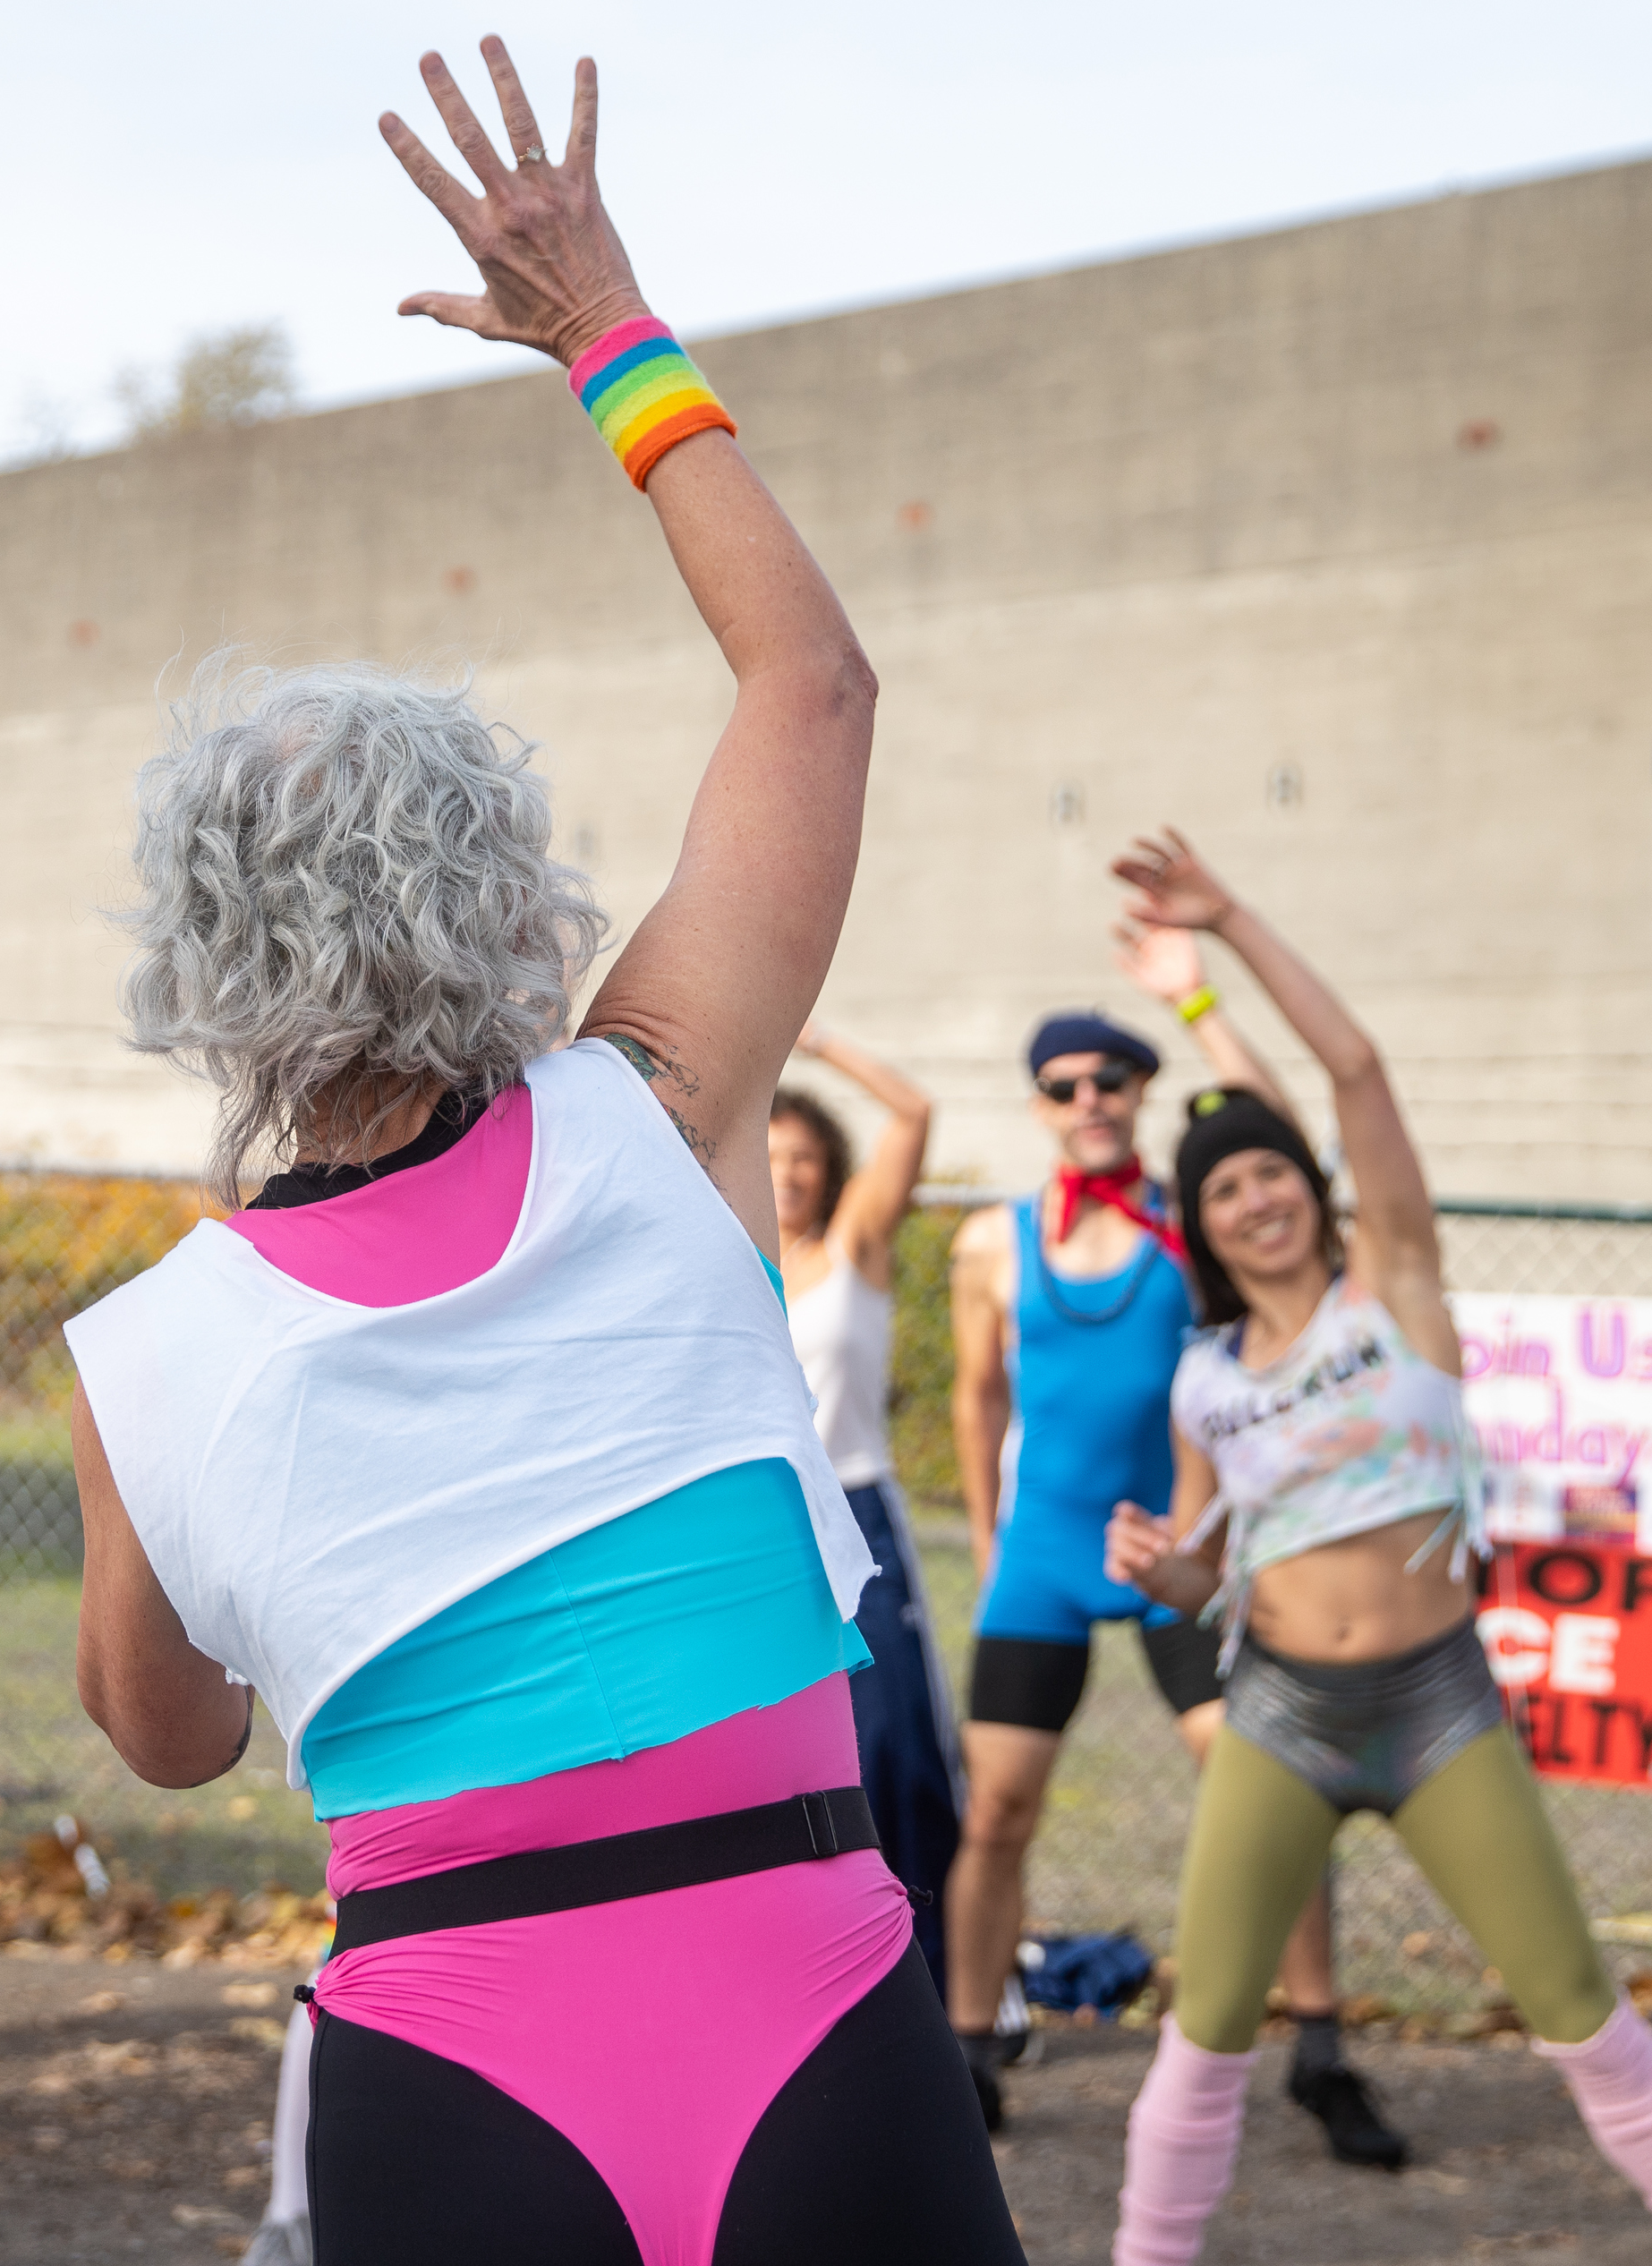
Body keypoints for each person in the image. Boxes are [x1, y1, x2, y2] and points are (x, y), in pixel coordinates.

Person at [63, 42, 1021, 2264]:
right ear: (507, 893)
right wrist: (603, 331)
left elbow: (172, 1740)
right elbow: (810, 691)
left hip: (446, 2054)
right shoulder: (656, 1104)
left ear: (195, 960)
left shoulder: (149, 1356)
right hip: (808, 1997)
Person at [1102, 828, 1652, 2266]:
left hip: (1438, 1703)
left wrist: (1228, 935)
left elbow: (1356, 1073)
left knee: (1575, 2001)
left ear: (1311, 1194)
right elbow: (1212, 1566)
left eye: (1274, 1176)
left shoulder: (1392, 1289)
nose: (1258, 1196)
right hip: (1282, 1709)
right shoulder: (1203, 1377)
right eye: (1226, 1190)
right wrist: (1166, 1574)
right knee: (1205, 2034)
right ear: (1202, 1229)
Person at [939, 923, 1402, 2160]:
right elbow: (977, 1398)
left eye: (1111, 1081)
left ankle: (1319, 2051)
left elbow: (1280, 1139)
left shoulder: (1194, 1221)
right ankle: (968, 2056)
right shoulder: (992, 1242)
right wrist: (990, 1540)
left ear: (1142, 1094)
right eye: (1064, 1087)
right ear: (1040, 1107)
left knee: (1273, 1789)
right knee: (995, 1813)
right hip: (1042, 1557)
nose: (1091, 1102)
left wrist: (1197, 999)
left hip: (1180, 1556)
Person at [770, 1023, 958, 1989]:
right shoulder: (735, 1264)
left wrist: (812, 1045)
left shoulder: (857, 1245)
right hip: (768, 1532)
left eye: (804, 1157)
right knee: (791, 1758)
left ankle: (942, 1977)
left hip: (860, 1515)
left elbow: (913, 1113)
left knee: (897, 1750)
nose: (789, 1174)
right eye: (770, 1157)